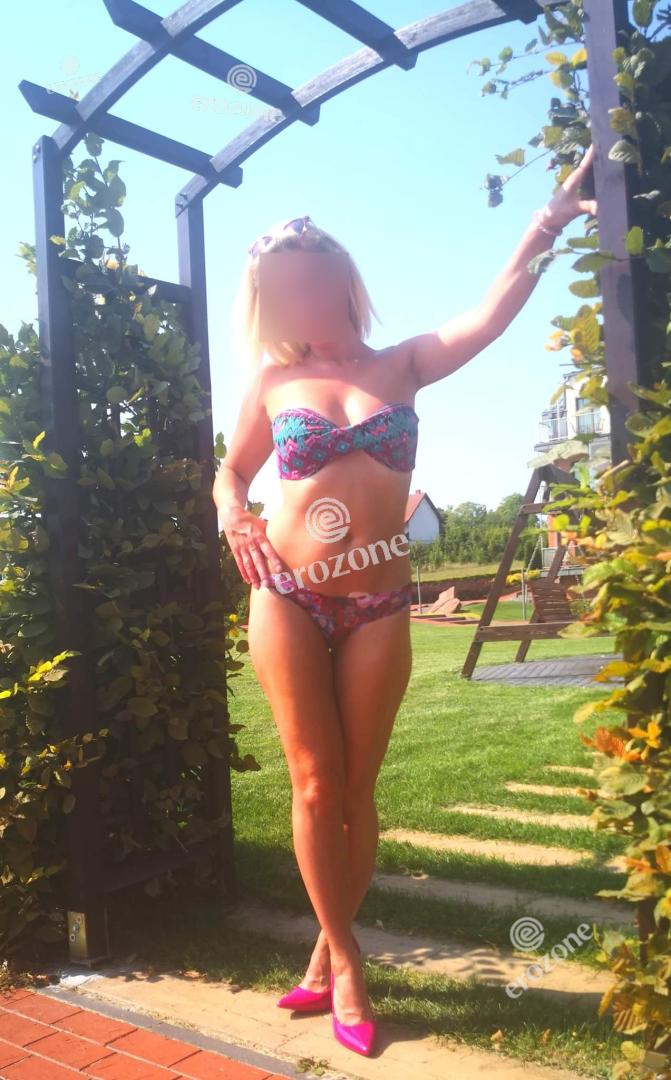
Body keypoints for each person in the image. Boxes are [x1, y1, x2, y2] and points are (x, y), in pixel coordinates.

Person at [212, 145, 596, 1058]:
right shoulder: (271, 383)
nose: (301, 301)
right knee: (314, 782)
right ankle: (347, 960)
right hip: (288, 594)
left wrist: (542, 225)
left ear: (342, 281)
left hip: (378, 603)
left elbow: (489, 314)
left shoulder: (404, 363)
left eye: (312, 282)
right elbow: (231, 471)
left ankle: (322, 944)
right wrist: (233, 515)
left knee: (357, 789)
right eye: (281, 292)